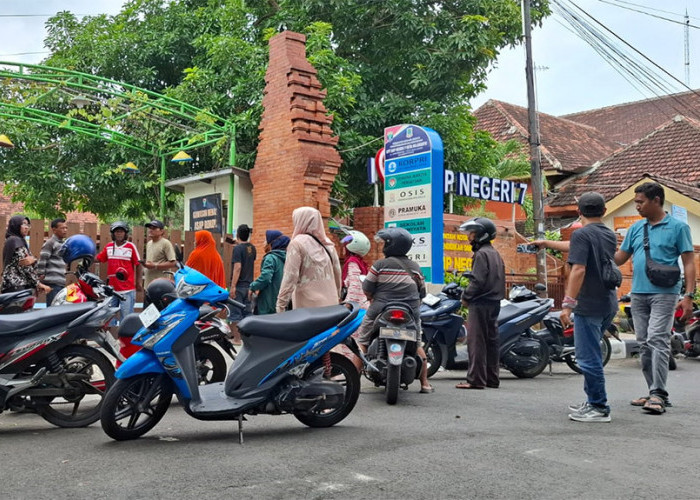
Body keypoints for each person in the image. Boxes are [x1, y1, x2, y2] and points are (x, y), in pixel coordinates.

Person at [534, 193, 617, 423]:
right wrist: (546, 244)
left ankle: (599, 407)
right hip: (607, 302)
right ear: (605, 210)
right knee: (590, 354)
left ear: (579, 211)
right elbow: (574, 246)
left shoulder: (582, 233)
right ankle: (592, 401)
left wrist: (567, 305)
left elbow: (578, 269)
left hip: (588, 304)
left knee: (588, 357)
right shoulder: (607, 234)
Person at [614, 182, 695, 415]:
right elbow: (620, 257)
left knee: (657, 339)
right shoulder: (636, 228)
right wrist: (594, 254)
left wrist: (688, 295)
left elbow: (689, 262)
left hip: (665, 293)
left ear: (657, 200)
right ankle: (653, 391)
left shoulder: (678, 228)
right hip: (638, 294)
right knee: (643, 342)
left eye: (641, 202)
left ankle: (659, 393)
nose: (637, 206)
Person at [355, 227, 433, 393]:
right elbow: (423, 293)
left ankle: (353, 381)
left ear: (390, 245)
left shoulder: (380, 265)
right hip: (410, 311)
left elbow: (367, 288)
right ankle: (425, 383)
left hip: (381, 309)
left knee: (363, 341)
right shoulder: (415, 267)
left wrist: (371, 296)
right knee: (418, 343)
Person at [455, 217, 505, 391]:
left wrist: (466, 297)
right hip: (494, 302)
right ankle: (492, 379)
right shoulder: (494, 253)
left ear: (481, 235)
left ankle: (476, 380)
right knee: (491, 341)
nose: (469, 237)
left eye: (473, 233)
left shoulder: (481, 254)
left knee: (476, 342)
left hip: (481, 302)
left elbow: (477, 281)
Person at [275, 207, 341, 312]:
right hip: (331, 305)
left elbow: (290, 277)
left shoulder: (297, 244)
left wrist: (280, 305)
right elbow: (337, 274)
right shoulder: (328, 244)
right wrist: (337, 295)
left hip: (308, 308)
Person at [96, 221, 142, 329]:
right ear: (113, 234)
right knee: (109, 318)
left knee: (126, 318)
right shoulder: (108, 247)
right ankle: (110, 341)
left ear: (125, 233)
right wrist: (86, 257)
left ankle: (124, 342)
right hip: (112, 289)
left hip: (127, 289)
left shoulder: (131, 247)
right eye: (117, 232)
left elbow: (139, 264)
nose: (119, 234)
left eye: (121, 231)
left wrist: (138, 282)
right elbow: (99, 258)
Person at [1, 215, 51, 296]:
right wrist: (38, 284)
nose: (26, 227)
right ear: (16, 225)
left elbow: (30, 261)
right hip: (15, 286)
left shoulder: (19, 241)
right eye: (23, 224)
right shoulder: (14, 241)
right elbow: (25, 266)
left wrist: (33, 260)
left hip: (18, 285)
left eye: (28, 225)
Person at [249, 230, 289, 315]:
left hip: (268, 304)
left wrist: (252, 287)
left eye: (265, 240)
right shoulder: (288, 257)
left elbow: (265, 277)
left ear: (272, 243)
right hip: (283, 303)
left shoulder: (270, 258)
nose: (264, 243)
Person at [229, 223, 256, 343]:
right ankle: (248, 339)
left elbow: (238, 267)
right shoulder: (252, 248)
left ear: (238, 234)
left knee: (235, 313)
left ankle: (237, 339)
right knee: (247, 313)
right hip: (249, 285)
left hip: (239, 286)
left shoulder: (237, 249)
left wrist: (233, 286)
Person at [37, 217, 68, 305]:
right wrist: (41, 275)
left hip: (60, 281)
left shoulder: (62, 244)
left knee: (57, 308)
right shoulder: (50, 243)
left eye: (66, 228)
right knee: (52, 309)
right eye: (62, 228)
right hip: (52, 282)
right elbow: (42, 260)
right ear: (54, 230)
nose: (65, 230)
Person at [142, 219, 177, 288]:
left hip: (161, 286)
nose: (150, 230)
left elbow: (173, 263)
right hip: (148, 285)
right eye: (150, 228)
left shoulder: (165, 243)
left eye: (154, 228)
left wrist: (155, 266)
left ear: (162, 231)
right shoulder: (149, 244)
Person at [341, 230, 371, 309]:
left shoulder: (352, 262)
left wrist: (348, 304)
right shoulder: (360, 262)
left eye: (345, 245)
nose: (343, 248)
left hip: (356, 308)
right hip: (362, 304)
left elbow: (355, 285)